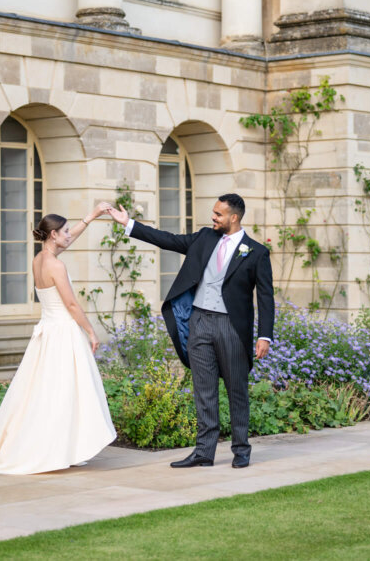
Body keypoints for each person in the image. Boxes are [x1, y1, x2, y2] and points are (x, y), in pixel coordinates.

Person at [106, 193, 274, 468]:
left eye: (218, 214)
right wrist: (129, 224)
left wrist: (264, 336)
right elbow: (168, 240)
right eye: (214, 212)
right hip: (199, 323)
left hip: (231, 327)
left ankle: (241, 450)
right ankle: (204, 452)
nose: (213, 217)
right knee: (204, 390)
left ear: (233, 217)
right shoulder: (204, 239)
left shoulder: (256, 252)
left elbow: (266, 297)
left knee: (237, 390)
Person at [0, 204, 116, 474]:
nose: (68, 235)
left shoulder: (39, 259)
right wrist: (91, 331)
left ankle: (66, 446)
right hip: (63, 332)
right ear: (52, 235)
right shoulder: (57, 265)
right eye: (63, 231)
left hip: (48, 331)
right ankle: (54, 447)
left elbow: (71, 235)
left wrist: (93, 214)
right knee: (63, 391)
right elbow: (71, 305)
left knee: (49, 390)